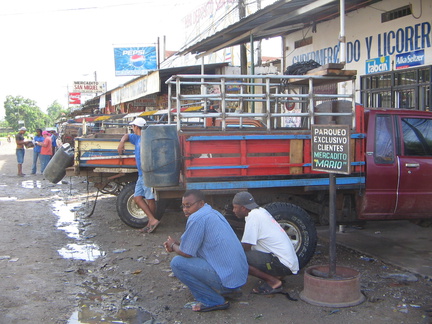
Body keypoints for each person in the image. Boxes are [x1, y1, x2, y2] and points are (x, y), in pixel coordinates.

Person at [164, 190, 248, 312]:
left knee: (177, 263)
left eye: (189, 205)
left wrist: (172, 246)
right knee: (188, 257)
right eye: (183, 206)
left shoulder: (197, 218)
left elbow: (186, 253)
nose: (185, 209)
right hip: (238, 277)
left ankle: (213, 301)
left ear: (201, 203)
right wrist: (177, 244)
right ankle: (231, 291)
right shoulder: (211, 212)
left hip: (228, 278)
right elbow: (192, 245)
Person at [232, 191, 299, 295]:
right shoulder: (261, 211)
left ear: (243, 208)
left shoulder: (253, 217)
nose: (233, 211)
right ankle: (277, 276)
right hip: (288, 263)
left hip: (283, 264)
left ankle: (273, 282)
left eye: (235, 207)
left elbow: (246, 247)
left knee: (238, 258)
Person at [117, 117, 158, 233]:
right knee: (137, 197)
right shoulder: (136, 138)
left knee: (150, 198)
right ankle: (152, 220)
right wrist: (121, 142)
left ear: (136, 127)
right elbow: (126, 136)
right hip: (141, 173)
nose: (132, 129)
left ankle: (151, 223)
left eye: (133, 126)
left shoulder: (147, 139)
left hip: (147, 172)